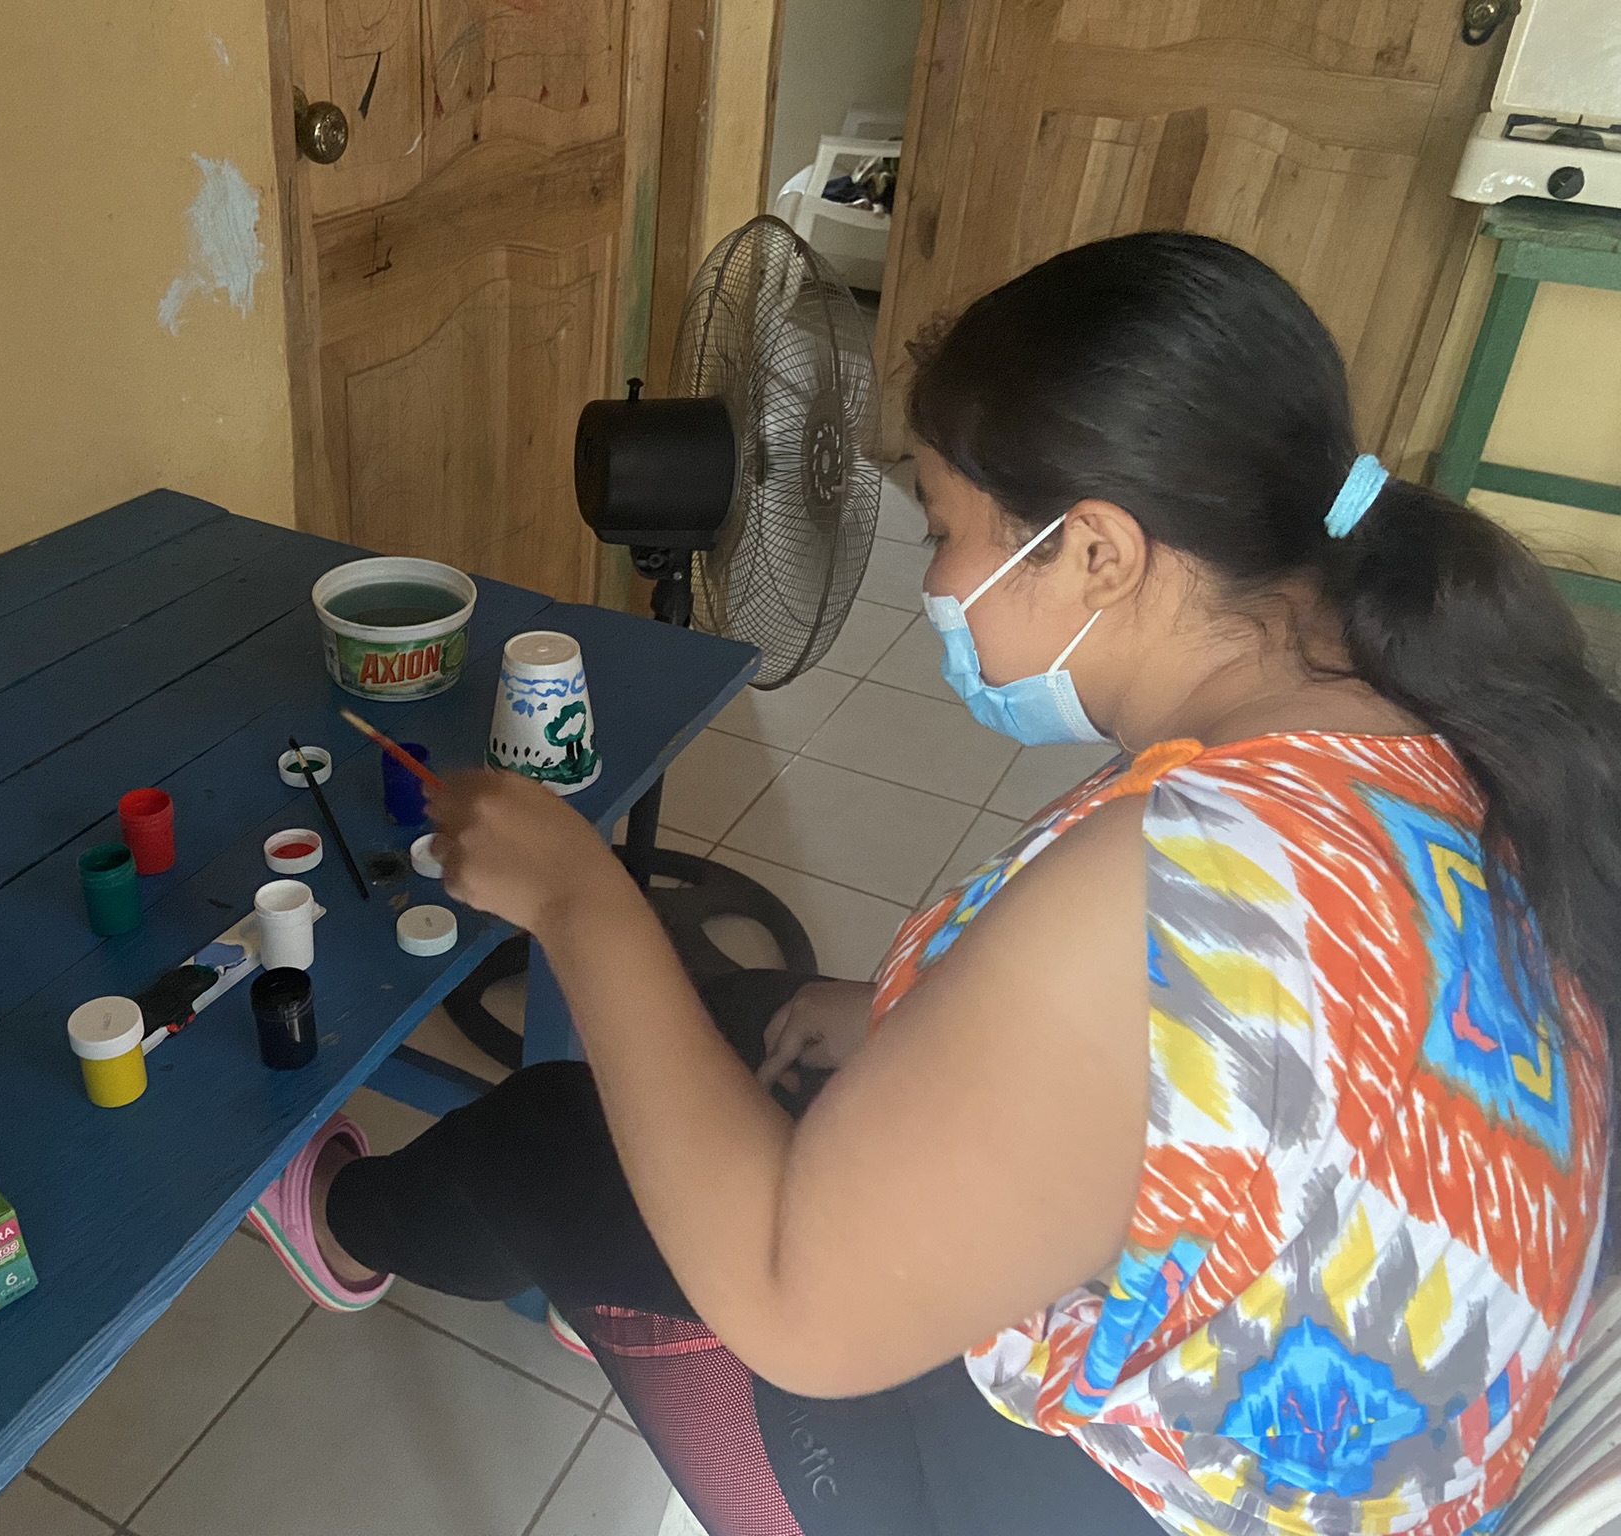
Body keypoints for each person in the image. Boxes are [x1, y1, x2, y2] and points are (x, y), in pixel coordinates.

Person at [246, 232, 1621, 1535]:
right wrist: (899, 1010)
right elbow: (1220, 1072)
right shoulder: (1432, 715)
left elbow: (798, 1310)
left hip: (1100, 1501)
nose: (934, 582)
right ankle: (577, 1252)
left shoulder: (1166, 886)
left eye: (944, 528)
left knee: (556, 1137)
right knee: (732, 1022)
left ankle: (341, 1225)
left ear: (1097, 550)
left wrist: (577, 897)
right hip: (1334, 1396)